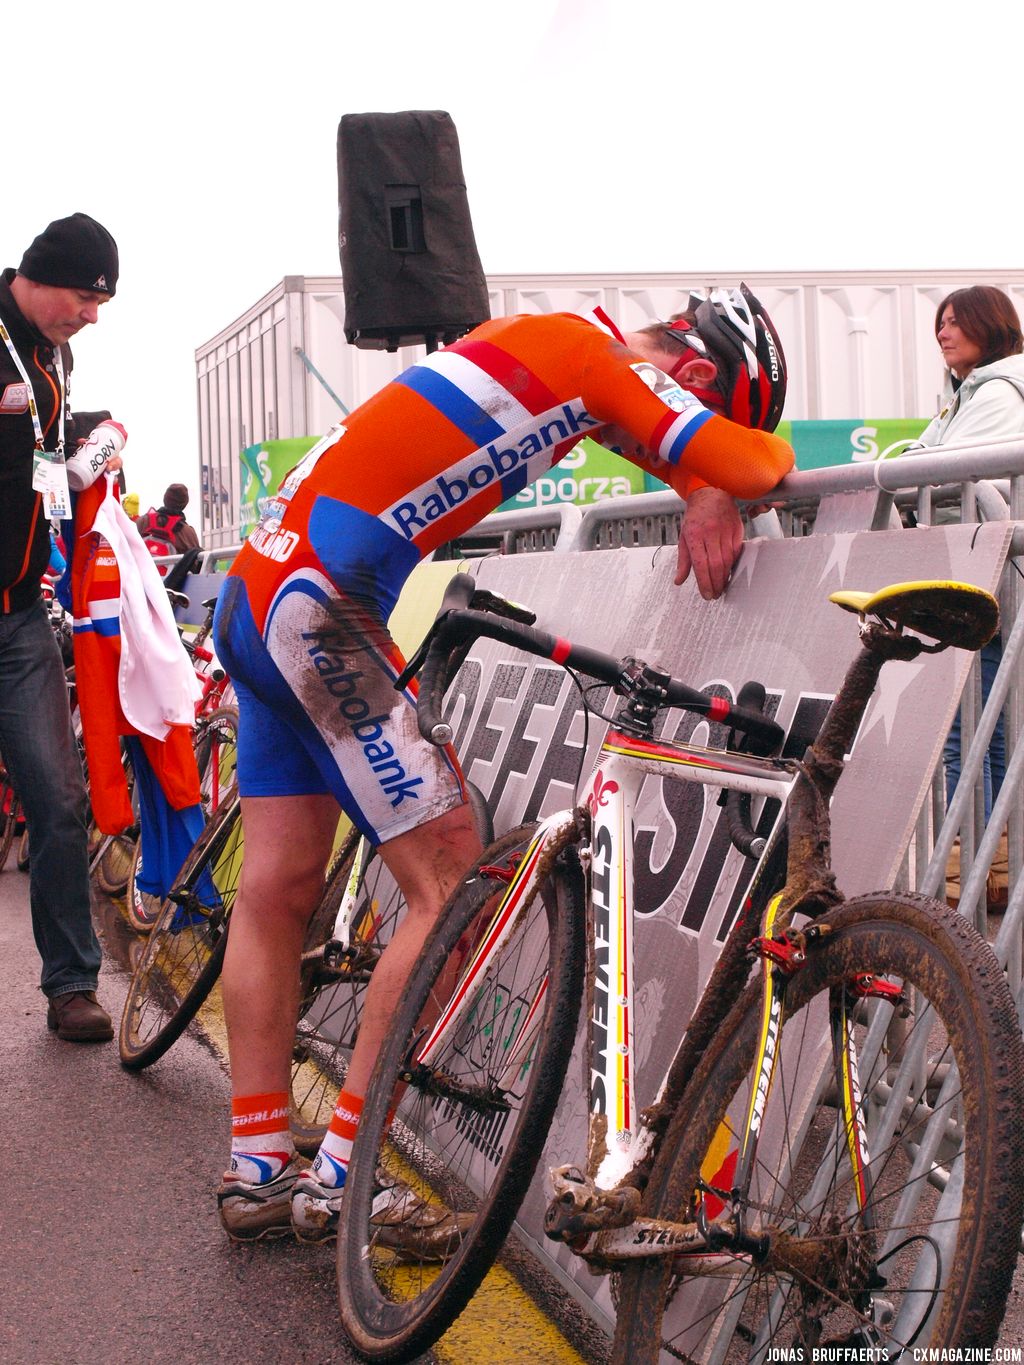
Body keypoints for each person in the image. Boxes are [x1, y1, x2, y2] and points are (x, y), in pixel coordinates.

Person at [211, 287, 795, 1242]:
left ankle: (258, 1164)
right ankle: (343, 1181)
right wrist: (718, 465)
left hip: (263, 589)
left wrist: (694, 480)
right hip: (316, 611)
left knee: (275, 889)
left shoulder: (551, 350)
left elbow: (646, 437)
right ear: (688, 378)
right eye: (693, 406)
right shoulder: (586, 357)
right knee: (452, 882)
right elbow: (760, 461)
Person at [0, 212, 121, 1041]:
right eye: (84, 296)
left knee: (57, 794)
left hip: (15, 621)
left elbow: (34, 458)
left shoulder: (54, 355)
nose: (91, 314)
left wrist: (92, 441)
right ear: (39, 278)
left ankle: (71, 985)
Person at [910, 286, 1024, 821]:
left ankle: (977, 850)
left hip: (991, 572)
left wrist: (919, 465)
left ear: (990, 324)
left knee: (969, 724)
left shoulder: (999, 393)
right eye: (940, 322)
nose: (942, 332)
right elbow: (913, 462)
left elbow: (931, 470)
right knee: (979, 723)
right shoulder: (971, 394)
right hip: (984, 570)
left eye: (955, 321)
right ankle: (988, 853)